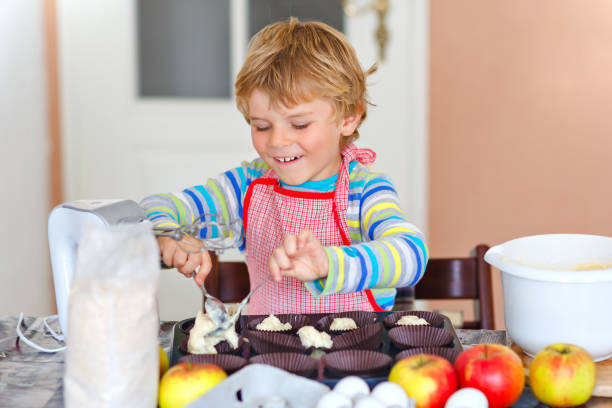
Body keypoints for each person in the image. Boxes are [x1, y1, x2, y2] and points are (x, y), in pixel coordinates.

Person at [140, 18, 428, 314]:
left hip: (358, 357)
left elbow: (412, 255)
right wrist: (168, 234)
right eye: (262, 126)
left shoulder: (364, 190)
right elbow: (154, 207)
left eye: (299, 124)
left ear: (348, 117)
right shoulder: (245, 187)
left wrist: (328, 263)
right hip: (269, 355)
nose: (277, 140)